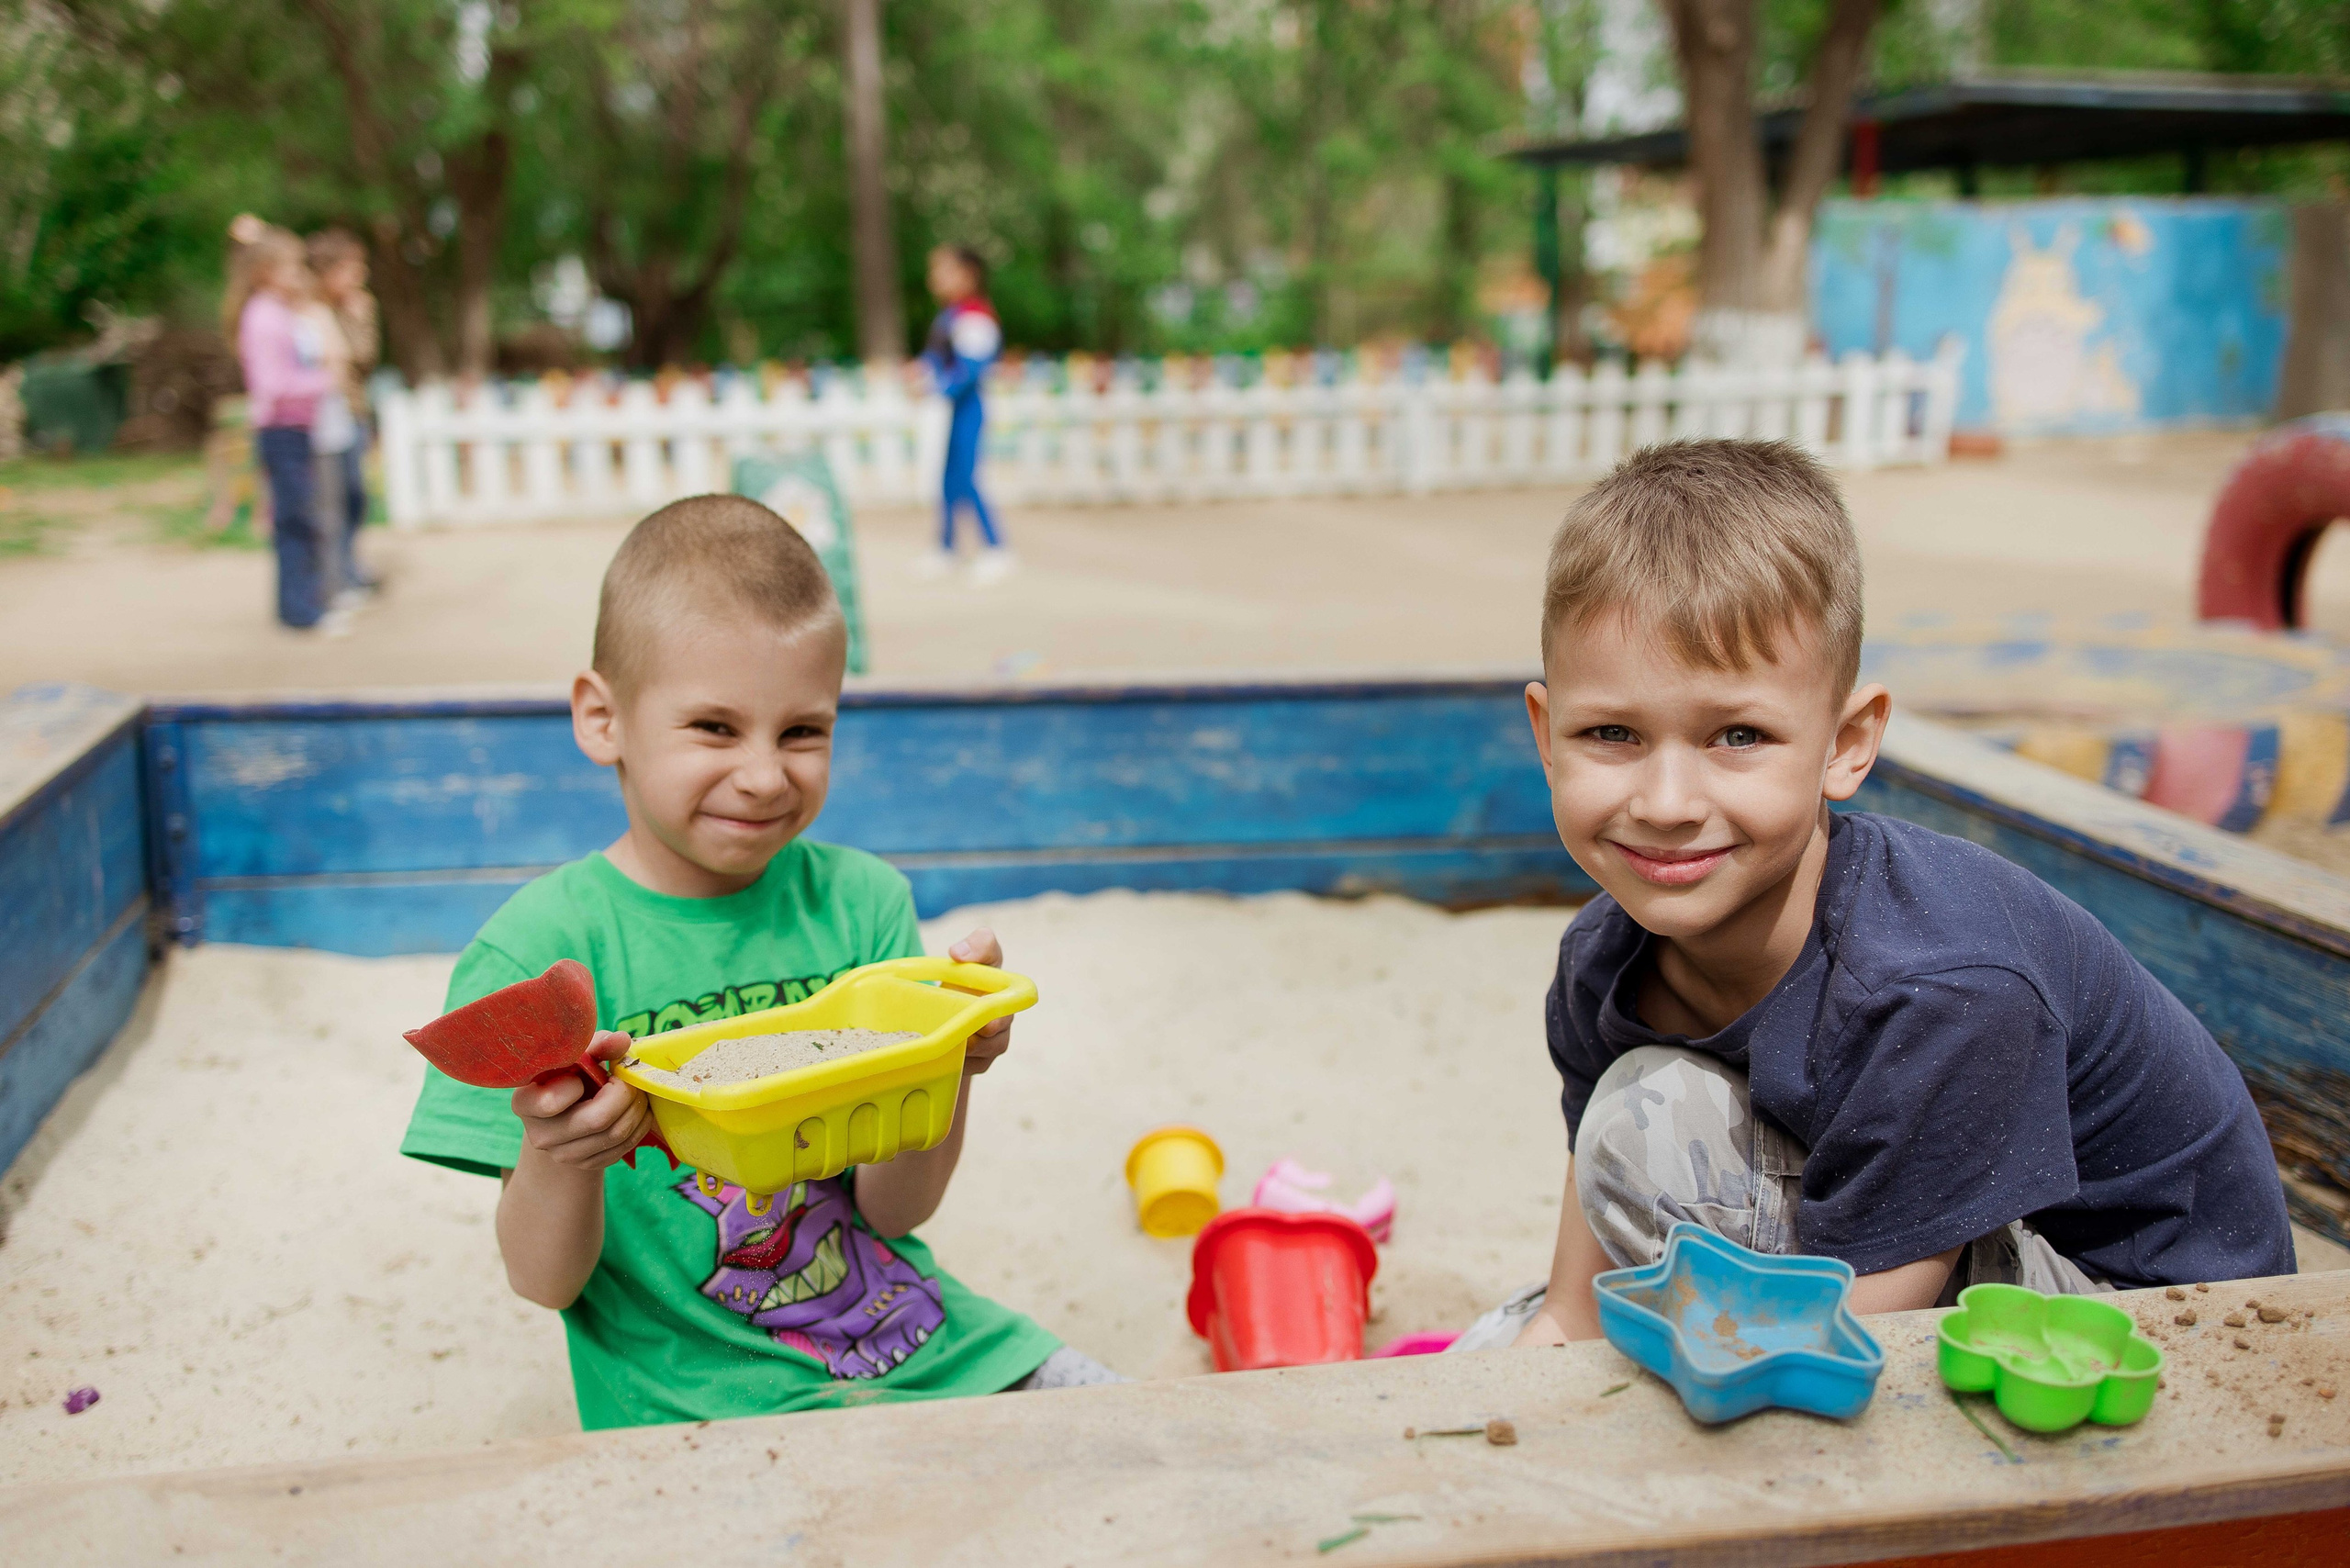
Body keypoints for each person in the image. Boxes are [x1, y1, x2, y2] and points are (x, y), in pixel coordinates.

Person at [1453, 439, 2291, 1353]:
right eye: (1611, 732)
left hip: (2155, 1323)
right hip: (1932, 1250)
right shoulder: (1600, 962)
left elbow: (1863, 1350)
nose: (1665, 804)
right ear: (1545, 732)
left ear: (1846, 743)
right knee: (1518, 1315)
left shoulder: (1935, 988)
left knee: (1649, 1123)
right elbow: (1575, 1308)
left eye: (1737, 734)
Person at [399, 495, 1119, 1428]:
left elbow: (895, 1213)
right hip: (697, 1404)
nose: (765, 774)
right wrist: (560, 1156)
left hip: (927, 1347)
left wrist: (948, 1059)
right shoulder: (538, 955)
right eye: (713, 727)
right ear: (602, 718)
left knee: (1135, 1439)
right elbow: (543, 1280)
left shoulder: (860, 904)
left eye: (802, 731)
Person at [225, 217, 348, 636]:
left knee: (295, 519)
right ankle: (302, 611)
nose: (299, 276)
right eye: (292, 267)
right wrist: (325, 381)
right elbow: (273, 385)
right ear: (265, 272)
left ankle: (297, 606)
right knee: (297, 520)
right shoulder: (264, 318)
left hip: (293, 428)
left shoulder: (278, 314)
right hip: (282, 429)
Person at [912, 245, 1013, 585]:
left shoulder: (974, 315)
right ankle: (946, 547)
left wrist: (935, 386)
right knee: (947, 478)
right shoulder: (949, 316)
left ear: (968, 275)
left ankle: (997, 547)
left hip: (969, 408)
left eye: (943, 270)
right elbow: (935, 358)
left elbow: (971, 369)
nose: (935, 278)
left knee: (967, 478)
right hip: (952, 409)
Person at [308, 228, 381, 602]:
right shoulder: (308, 309)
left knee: (355, 496)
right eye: (352, 268)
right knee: (330, 500)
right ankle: (334, 576)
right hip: (322, 415)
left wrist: (360, 321)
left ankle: (349, 567)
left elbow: (364, 359)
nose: (359, 277)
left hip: (353, 411)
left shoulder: (359, 307)